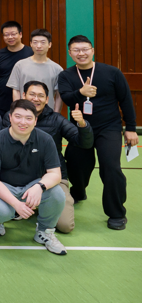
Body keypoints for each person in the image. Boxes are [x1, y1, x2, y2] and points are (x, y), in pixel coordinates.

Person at [58, 35, 137, 230]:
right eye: (76, 50)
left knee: (111, 167)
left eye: (85, 49)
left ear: (92, 50)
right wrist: (81, 93)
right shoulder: (66, 75)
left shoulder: (112, 72)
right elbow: (67, 99)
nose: (81, 53)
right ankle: (78, 191)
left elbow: (126, 100)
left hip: (109, 127)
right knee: (75, 165)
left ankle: (116, 213)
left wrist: (131, 128)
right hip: (80, 127)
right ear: (70, 53)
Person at [3, 80, 94, 233]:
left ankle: (46, 203)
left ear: (47, 99)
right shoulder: (11, 117)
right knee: (2, 212)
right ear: (24, 95)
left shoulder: (57, 119)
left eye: (41, 96)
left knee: (65, 226)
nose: (36, 99)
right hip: (19, 178)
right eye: (32, 94)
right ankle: (32, 202)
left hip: (53, 179)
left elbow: (84, 143)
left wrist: (82, 123)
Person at [0, 100, 67, 255]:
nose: (23, 122)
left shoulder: (45, 140)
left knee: (57, 194)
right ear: (10, 117)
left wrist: (39, 187)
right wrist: (16, 204)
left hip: (31, 186)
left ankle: (44, 232)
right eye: (18, 117)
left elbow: (55, 174)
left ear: (35, 121)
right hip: (4, 186)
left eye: (28, 118)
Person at [8, 29, 63, 109]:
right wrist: (18, 109)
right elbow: (16, 90)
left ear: (50, 44)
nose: (39, 46)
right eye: (35, 42)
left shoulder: (57, 69)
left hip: (47, 112)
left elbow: (58, 95)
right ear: (31, 44)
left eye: (43, 42)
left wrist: (56, 113)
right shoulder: (20, 65)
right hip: (25, 111)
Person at [0, 20, 34, 116]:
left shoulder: (31, 53)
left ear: (20, 34)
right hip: (3, 101)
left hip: (25, 101)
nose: (10, 37)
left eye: (13, 34)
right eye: (6, 35)